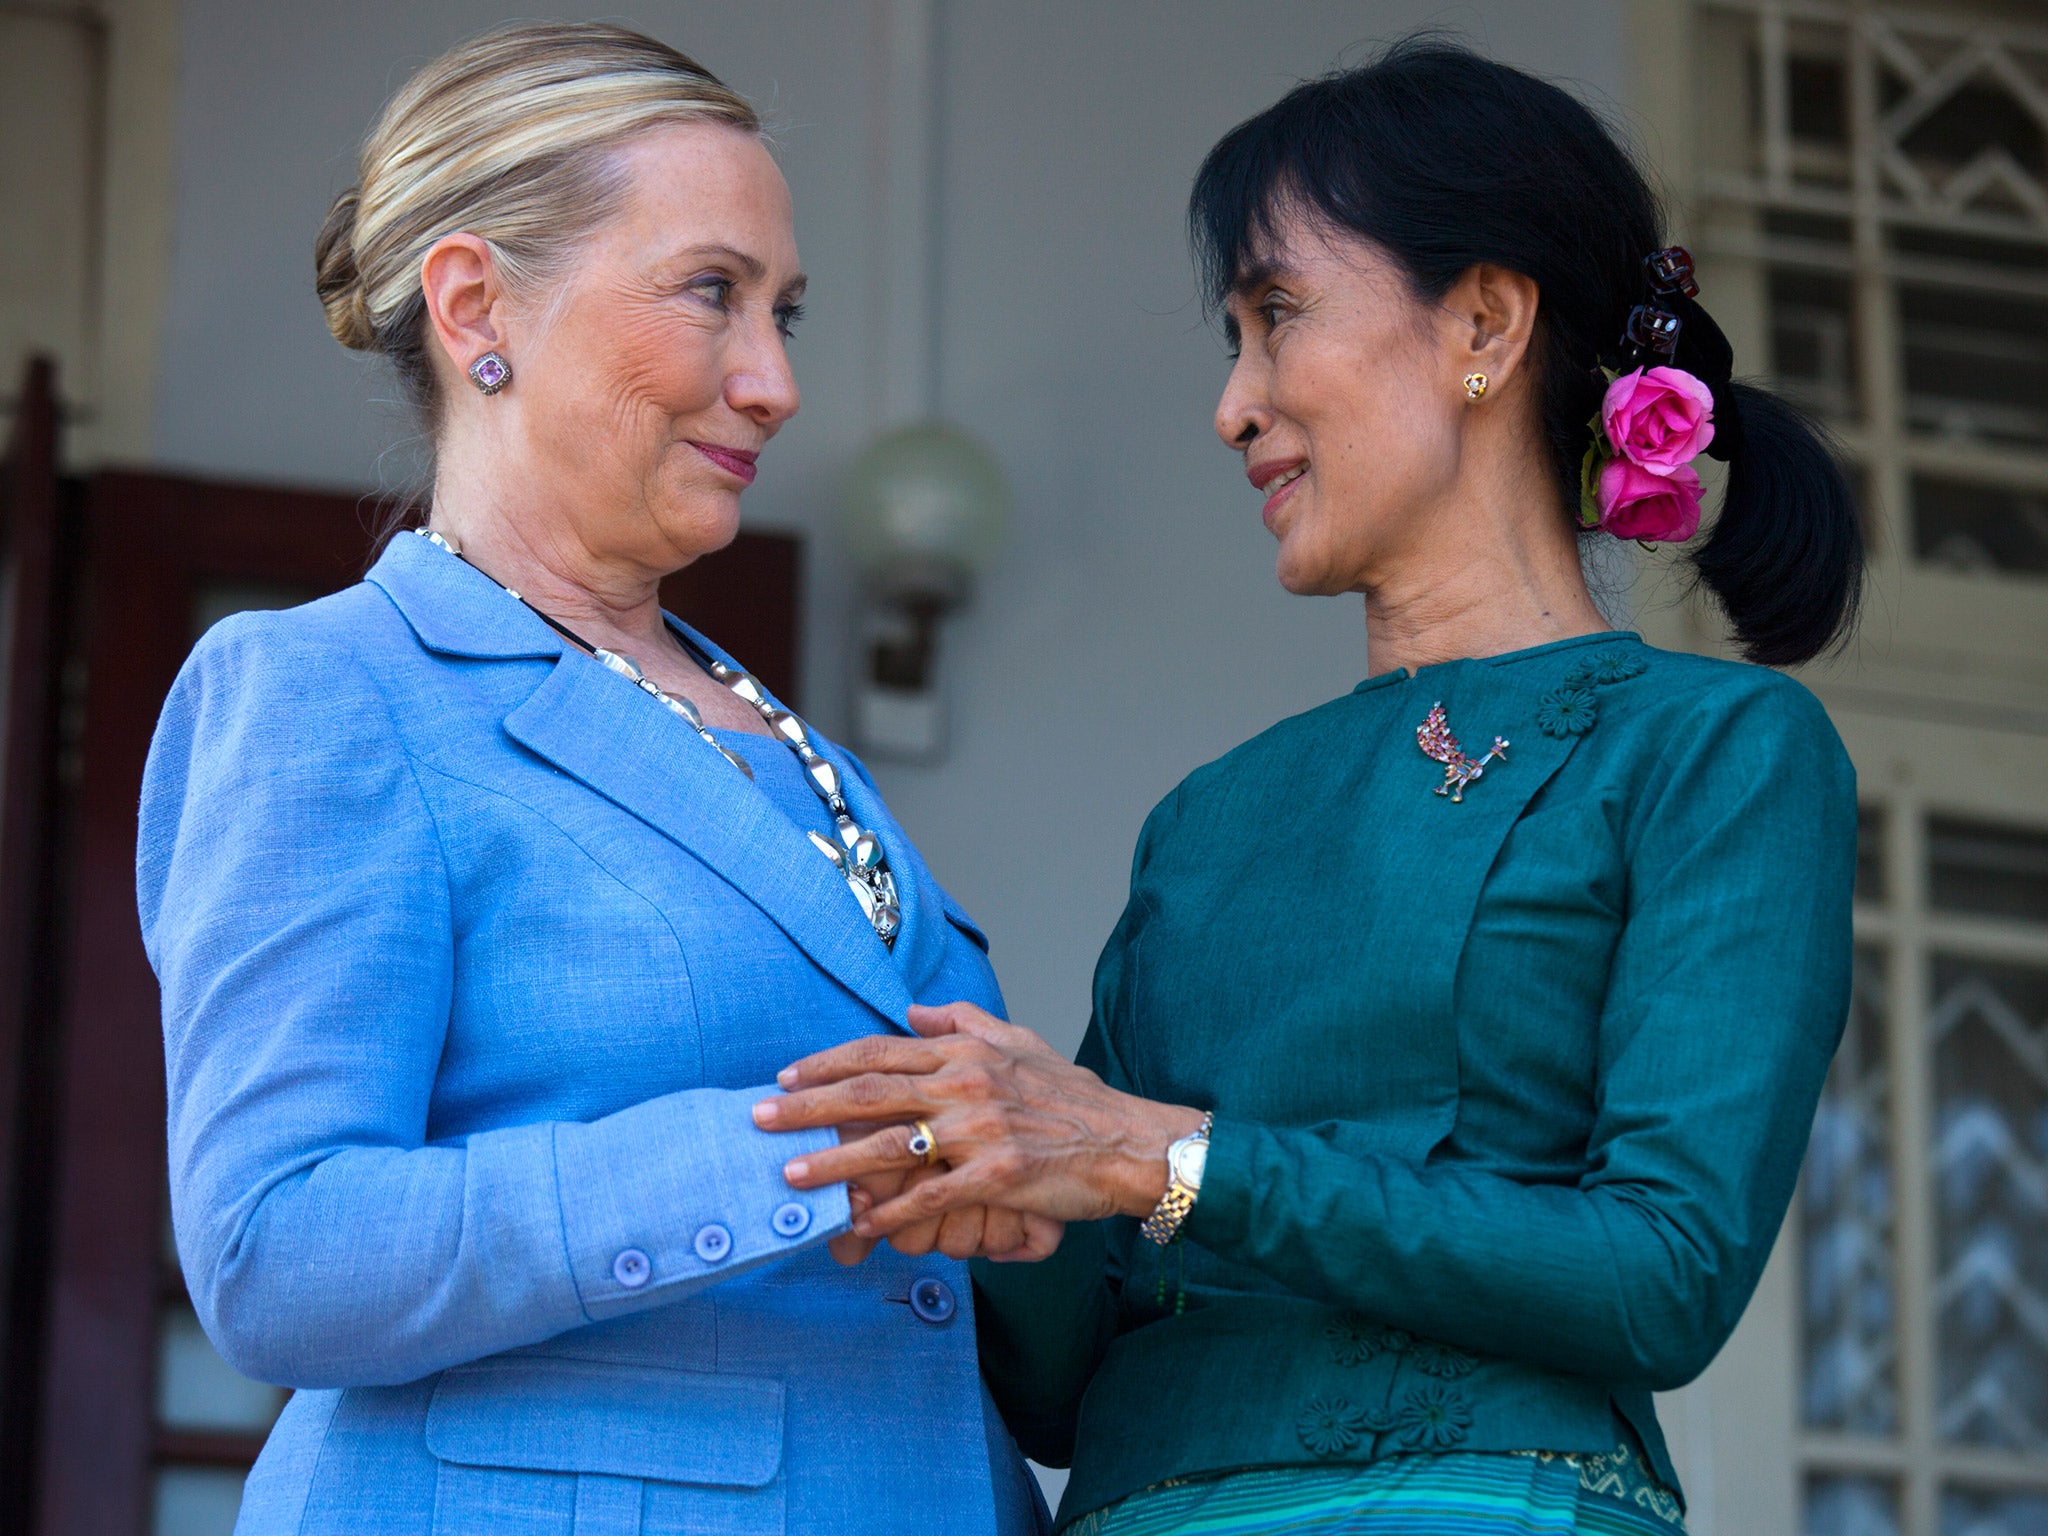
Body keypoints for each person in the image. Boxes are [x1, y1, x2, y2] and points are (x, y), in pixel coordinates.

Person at [758, 40, 1863, 1535]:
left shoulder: (1710, 749)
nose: (1235, 405)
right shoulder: (1212, 816)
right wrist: (988, 1193)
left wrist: (1153, 1155)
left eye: (1277, 317)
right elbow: (1064, 1376)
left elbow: (1661, 1277)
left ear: (1483, 321)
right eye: (1233, 337)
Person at [138, 23, 1051, 1536]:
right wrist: (807, 1155)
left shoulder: (792, 741)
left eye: (787, 313)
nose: (774, 381)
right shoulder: (327, 691)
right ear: (476, 301)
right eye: (712, 293)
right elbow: (274, 1249)